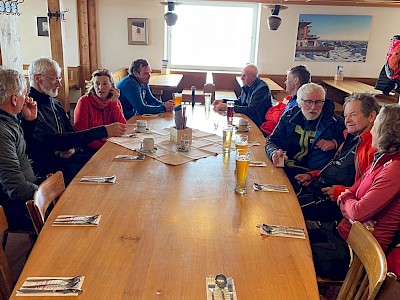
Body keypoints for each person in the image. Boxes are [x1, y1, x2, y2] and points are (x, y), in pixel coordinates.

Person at [310, 104, 400, 280]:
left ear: (385, 131)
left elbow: (357, 210)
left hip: (356, 254)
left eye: (376, 126)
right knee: (293, 232)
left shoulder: (394, 168)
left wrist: (351, 206)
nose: (372, 130)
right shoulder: (381, 160)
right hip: (342, 233)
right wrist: (351, 206)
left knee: (291, 251)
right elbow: (350, 194)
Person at [22, 57, 127, 184]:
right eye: (55, 79)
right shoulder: (29, 106)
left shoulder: (55, 103)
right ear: (38, 79)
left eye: (59, 79)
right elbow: (48, 141)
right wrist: (103, 131)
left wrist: (73, 149)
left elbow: (72, 135)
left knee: (117, 168)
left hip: (70, 161)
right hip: (49, 170)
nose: (59, 84)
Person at [294, 93, 379, 222]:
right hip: (317, 187)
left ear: (372, 116)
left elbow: (370, 191)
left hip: (336, 204)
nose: (347, 120)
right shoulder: (351, 138)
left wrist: (341, 192)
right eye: (345, 116)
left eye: (353, 115)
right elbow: (336, 165)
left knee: (287, 212)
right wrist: (314, 175)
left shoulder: (374, 147)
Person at [265, 82, 345, 184]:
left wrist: (335, 143)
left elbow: (348, 149)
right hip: (286, 168)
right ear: (299, 103)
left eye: (318, 102)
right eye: (308, 102)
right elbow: (272, 141)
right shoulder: (288, 117)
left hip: (316, 176)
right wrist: (274, 153)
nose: (313, 107)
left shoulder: (336, 122)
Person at [0, 67, 38, 231]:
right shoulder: (2, 130)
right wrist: (47, 195)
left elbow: (22, 150)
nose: (27, 98)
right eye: (24, 94)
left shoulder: (9, 120)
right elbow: (16, 188)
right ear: (15, 99)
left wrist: (30, 122)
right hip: (13, 206)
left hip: (25, 193)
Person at [74, 68, 127, 153]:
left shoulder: (114, 100)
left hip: (111, 145)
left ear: (111, 86)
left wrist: (114, 104)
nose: (100, 87)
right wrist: (104, 148)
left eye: (105, 84)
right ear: (93, 85)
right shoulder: (84, 102)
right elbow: (81, 134)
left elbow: (122, 127)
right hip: (90, 149)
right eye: (97, 84)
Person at [212, 64, 273, 128]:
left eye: (244, 75)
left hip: (258, 124)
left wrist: (228, 107)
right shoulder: (247, 86)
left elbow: (251, 110)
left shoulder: (262, 89)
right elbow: (240, 102)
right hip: (247, 120)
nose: (241, 78)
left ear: (254, 76)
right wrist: (223, 101)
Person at [260, 65, 311, 136]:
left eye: (287, 79)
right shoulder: (292, 98)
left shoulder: (300, 103)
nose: (285, 82)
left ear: (296, 80)